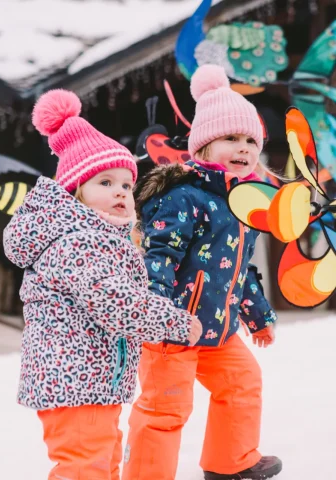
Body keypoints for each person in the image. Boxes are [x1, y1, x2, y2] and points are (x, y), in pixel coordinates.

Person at [3, 89, 202, 480]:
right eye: (105, 182)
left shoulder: (99, 238)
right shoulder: (77, 242)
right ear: (75, 192)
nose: (120, 193)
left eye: (127, 186)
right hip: (75, 383)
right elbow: (117, 301)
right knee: (85, 468)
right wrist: (173, 322)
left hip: (92, 384)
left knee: (102, 462)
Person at [122, 64, 282, 480]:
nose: (244, 147)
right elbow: (158, 259)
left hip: (218, 331)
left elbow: (238, 268)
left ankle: (231, 463)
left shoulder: (242, 204)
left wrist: (258, 316)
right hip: (173, 331)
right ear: (204, 148)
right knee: (165, 408)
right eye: (231, 138)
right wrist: (158, 313)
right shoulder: (183, 198)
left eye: (251, 140)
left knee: (242, 383)